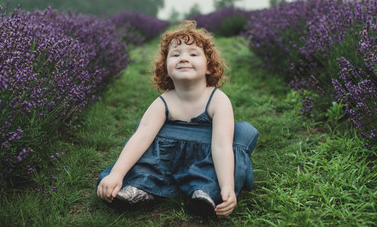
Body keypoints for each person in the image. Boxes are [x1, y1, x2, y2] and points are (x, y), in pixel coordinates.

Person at [96, 20, 258, 217]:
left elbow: (221, 147)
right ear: (166, 68)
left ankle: (205, 192)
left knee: (237, 139)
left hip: (206, 156)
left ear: (208, 67)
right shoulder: (164, 101)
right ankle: (141, 188)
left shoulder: (217, 99)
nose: (183, 58)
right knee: (145, 147)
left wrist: (227, 186)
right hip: (167, 159)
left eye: (193, 54)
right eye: (175, 54)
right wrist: (116, 174)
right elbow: (141, 137)